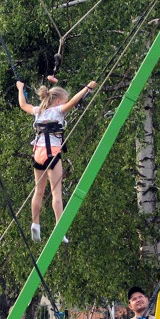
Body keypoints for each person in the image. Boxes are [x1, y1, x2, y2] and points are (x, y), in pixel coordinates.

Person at [16, 77, 97, 243]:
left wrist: (19, 88)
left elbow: (23, 105)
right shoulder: (59, 111)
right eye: (63, 101)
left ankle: (35, 224)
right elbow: (75, 100)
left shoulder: (38, 111)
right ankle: (60, 229)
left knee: (38, 191)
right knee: (56, 193)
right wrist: (88, 87)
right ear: (58, 101)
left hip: (37, 153)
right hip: (52, 153)